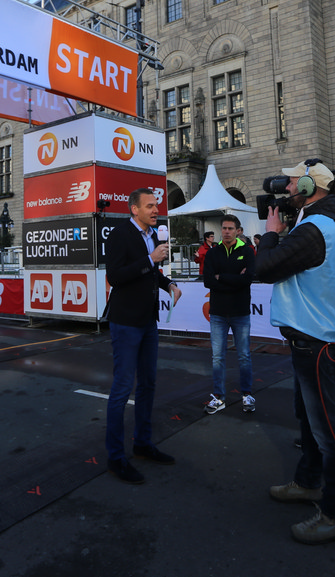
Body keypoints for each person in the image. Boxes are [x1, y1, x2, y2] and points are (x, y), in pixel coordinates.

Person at [257, 160, 335, 545]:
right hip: (320, 339)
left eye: (293, 182)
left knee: (328, 432)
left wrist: (270, 234)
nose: (286, 188)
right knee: (313, 425)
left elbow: (265, 268)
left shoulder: (314, 228)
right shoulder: (329, 225)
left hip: (316, 341)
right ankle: (308, 481)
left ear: (309, 186)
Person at [104, 187, 182, 484]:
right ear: (134, 209)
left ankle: (143, 443)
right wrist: (150, 259)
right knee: (122, 388)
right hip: (125, 322)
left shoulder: (152, 236)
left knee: (148, 384)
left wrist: (169, 284)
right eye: (149, 206)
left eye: (156, 205)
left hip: (149, 320)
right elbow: (116, 276)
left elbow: (151, 273)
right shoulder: (120, 235)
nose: (155, 210)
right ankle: (115, 457)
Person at [202, 214, 255, 415]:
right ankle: (219, 397)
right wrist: (235, 280)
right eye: (224, 228)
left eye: (230, 228)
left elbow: (248, 279)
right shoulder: (212, 253)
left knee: (244, 356)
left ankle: (247, 394)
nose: (226, 231)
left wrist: (221, 277)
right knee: (217, 357)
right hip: (218, 313)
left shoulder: (247, 251)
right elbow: (208, 281)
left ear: (238, 231)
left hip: (240, 312)